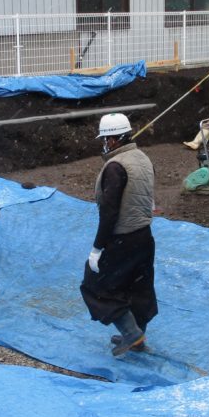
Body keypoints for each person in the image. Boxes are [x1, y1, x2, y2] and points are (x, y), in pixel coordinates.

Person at [80, 113, 158, 357]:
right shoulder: (143, 158)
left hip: (123, 237)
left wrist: (97, 248)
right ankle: (137, 332)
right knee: (138, 286)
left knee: (97, 285)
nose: (104, 144)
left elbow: (109, 211)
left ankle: (132, 335)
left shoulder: (115, 167)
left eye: (106, 139)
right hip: (144, 236)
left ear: (114, 139)